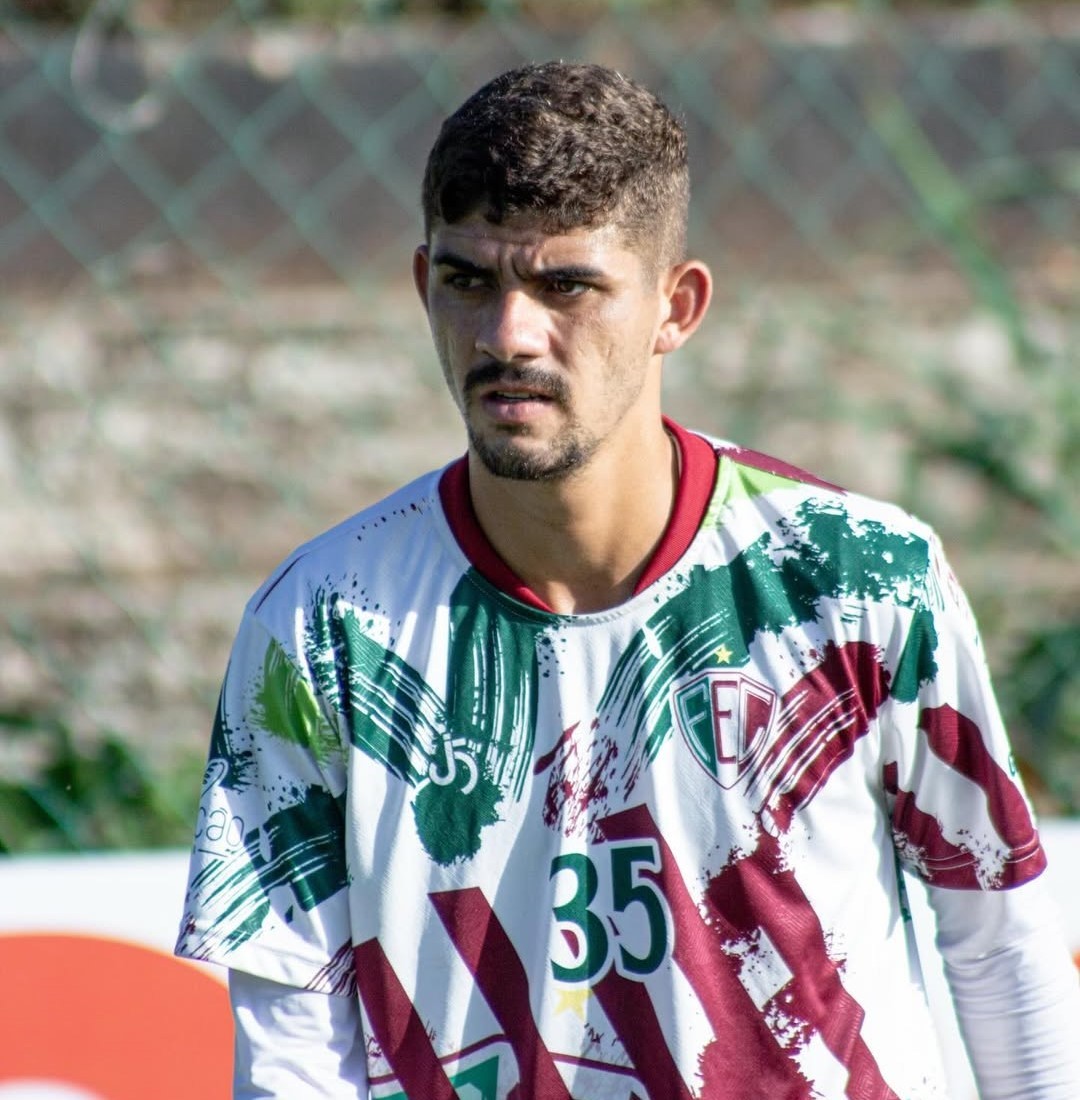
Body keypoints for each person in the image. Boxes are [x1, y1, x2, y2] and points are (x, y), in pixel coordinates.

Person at [176, 61, 1080, 1100]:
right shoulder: (324, 624)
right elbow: (294, 1044)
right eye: (471, 280)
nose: (508, 334)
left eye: (567, 286)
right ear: (424, 285)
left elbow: (1001, 942)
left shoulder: (859, 580)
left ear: (675, 307)